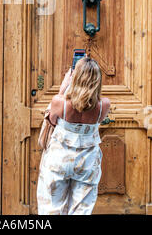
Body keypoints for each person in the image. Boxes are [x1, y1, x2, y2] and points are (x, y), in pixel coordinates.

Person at [37, 56, 111, 215]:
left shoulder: (60, 102)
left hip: (59, 159)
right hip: (87, 162)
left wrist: (63, 88)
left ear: (75, 78)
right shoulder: (103, 105)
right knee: (82, 210)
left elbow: (52, 120)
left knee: (51, 206)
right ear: (97, 80)